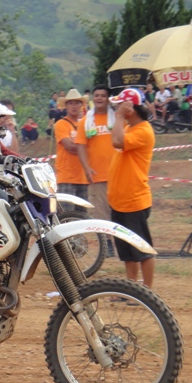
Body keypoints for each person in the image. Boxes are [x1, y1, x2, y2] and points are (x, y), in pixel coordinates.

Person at [108, 88, 155, 288]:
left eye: (121, 104)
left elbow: (117, 142)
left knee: (142, 250)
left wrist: (119, 117)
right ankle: (131, 289)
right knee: (127, 252)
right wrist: (121, 119)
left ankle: (147, 292)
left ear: (130, 107)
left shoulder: (143, 131)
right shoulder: (130, 128)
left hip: (134, 200)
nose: (117, 108)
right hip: (121, 200)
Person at [75, 84, 116, 256]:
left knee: (120, 209)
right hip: (98, 173)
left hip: (119, 172)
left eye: (103, 96)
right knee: (102, 211)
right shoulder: (86, 121)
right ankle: (108, 245)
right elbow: (80, 146)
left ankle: (122, 242)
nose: (99, 98)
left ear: (108, 99)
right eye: (97, 95)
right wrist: (86, 168)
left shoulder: (117, 119)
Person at [54, 88, 88, 212]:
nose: (74, 106)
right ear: (66, 106)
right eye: (71, 103)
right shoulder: (61, 124)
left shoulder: (85, 124)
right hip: (66, 177)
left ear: (81, 105)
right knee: (66, 215)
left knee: (82, 216)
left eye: (77, 103)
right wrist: (87, 147)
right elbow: (70, 147)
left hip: (83, 177)